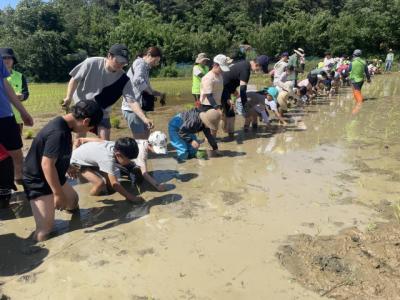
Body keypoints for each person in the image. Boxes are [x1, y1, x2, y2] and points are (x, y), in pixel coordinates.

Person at [23, 100, 103, 242]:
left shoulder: (65, 125)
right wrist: (58, 194)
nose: (87, 132)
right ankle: (36, 252)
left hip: (53, 174)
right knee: (46, 230)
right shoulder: (58, 132)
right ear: (86, 121)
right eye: (90, 128)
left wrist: (67, 166)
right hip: (38, 180)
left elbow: (53, 154)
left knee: (73, 201)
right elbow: (47, 164)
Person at [62, 44, 150, 140]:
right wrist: (68, 97)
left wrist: (144, 118)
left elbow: (132, 101)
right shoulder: (91, 63)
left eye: (123, 63)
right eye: (118, 61)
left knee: (104, 141)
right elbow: (75, 79)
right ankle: (77, 153)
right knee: (79, 138)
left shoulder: (123, 79)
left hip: (102, 111)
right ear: (109, 56)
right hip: (83, 107)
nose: (120, 65)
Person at [70, 137, 144, 202]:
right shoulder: (108, 159)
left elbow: (99, 140)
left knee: (109, 178)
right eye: (129, 159)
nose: (131, 161)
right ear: (118, 155)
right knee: (99, 183)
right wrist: (131, 197)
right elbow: (115, 184)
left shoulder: (115, 145)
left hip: (90, 158)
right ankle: (92, 199)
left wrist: (83, 139)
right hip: (77, 162)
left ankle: (108, 191)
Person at [0, 56, 33, 186]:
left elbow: (5, 84)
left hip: (5, 114)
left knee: (16, 152)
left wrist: (23, 112)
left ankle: (18, 179)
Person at [122, 47, 165, 140]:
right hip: (132, 108)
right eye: (156, 60)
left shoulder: (145, 66)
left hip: (138, 108)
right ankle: (140, 153)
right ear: (149, 55)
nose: (156, 64)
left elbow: (144, 85)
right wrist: (149, 92)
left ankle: (144, 152)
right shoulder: (140, 63)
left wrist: (156, 93)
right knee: (140, 139)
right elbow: (137, 80)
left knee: (146, 132)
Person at [221, 55, 269, 136]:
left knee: (225, 113)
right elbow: (243, 90)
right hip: (223, 90)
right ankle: (230, 137)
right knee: (230, 114)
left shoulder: (244, 64)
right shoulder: (246, 70)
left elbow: (230, 79)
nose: (259, 70)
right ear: (257, 64)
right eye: (260, 69)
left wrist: (235, 93)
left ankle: (225, 132)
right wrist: (245, 107)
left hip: (224, 88)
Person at [199, 54, 230, 136]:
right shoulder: (208, 77)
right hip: (207, 105)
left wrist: (227, 99)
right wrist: (217, 108)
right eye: (221, 68)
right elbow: (209, 96)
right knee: (209, 128)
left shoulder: (220, 76)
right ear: (215, 65)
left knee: (215, 127)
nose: (222, 71)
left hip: (217, 104)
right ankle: (210, 144)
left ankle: (214, 144)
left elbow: (223, 89)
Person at [349, 49, 371, 114]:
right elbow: (367, 72)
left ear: (354, 55)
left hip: (354, 80)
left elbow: (348, 70)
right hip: (361, 80)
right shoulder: (364, 62)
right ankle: (358, 105)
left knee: (357, 93)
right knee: (357, 92)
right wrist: (368, 79)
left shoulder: (352, 62)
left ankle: (357, 108)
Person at [0, 144, 16, 209]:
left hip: (3, 158)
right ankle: (5, 204)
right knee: (5, 184)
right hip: (3, 159)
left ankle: (4, 204)